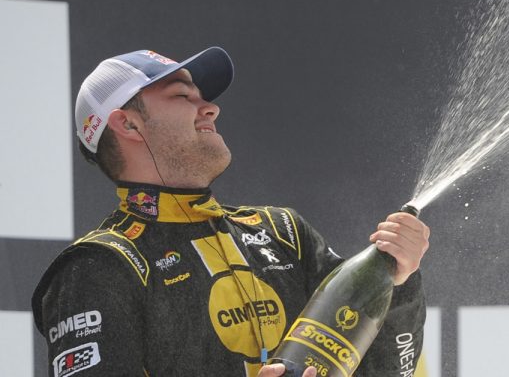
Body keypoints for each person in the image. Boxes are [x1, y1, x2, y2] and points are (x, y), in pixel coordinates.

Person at [32, 47, 430, 377]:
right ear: (128, 125)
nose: (210, 109)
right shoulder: (100, 266)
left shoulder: (283, 231)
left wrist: (397, 281)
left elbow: (387, 372)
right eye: (182, 96)